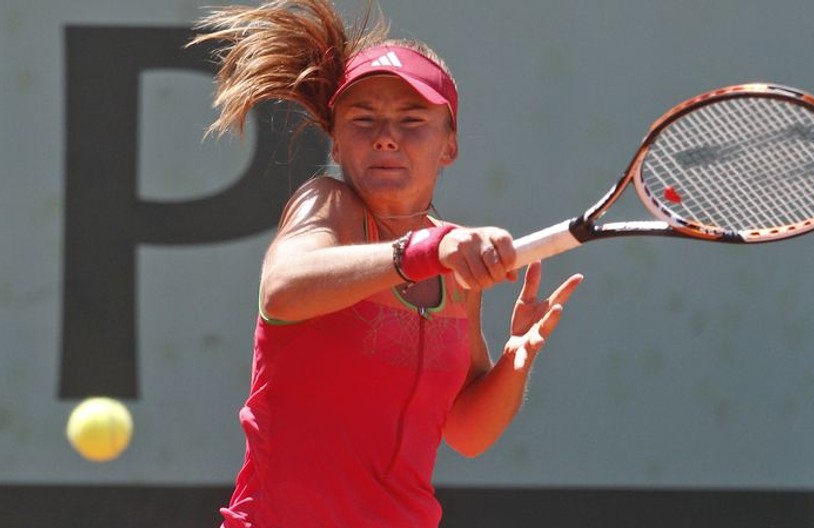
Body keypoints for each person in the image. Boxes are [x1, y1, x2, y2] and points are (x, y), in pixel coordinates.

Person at [190, 1, 583, 526]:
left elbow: (466, 432)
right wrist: (425, 251)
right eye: (363, 119)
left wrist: (516, 359)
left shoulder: (456, 269)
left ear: (450, 146)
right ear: (335, 139)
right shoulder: (328, 204)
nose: (386, 136)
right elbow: (284, 288)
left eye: (412, 120)